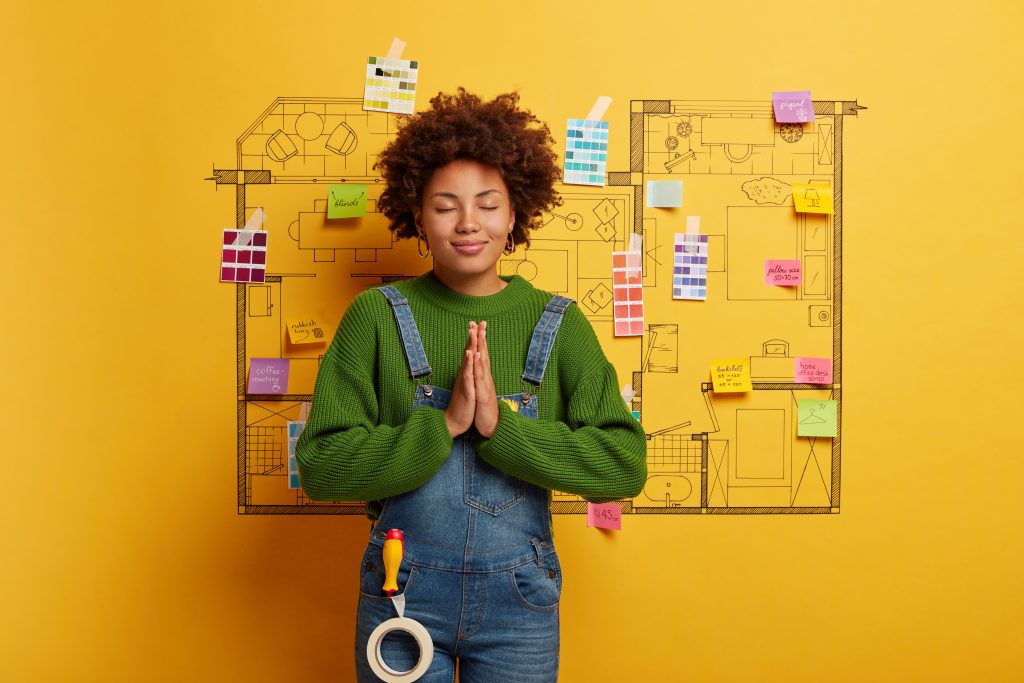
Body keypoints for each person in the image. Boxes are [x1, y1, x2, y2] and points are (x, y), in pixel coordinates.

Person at [296, 89, 647, 683]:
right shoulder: (375, 317)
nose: (467, 223)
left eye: (487, 205)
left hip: (521, 605)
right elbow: (323, 467)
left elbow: (623, 466)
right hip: (401, 594)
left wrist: (500, 428)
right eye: (444, 206)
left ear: (515, 215)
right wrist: (443, 425)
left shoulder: (558, 325)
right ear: (416, 216)